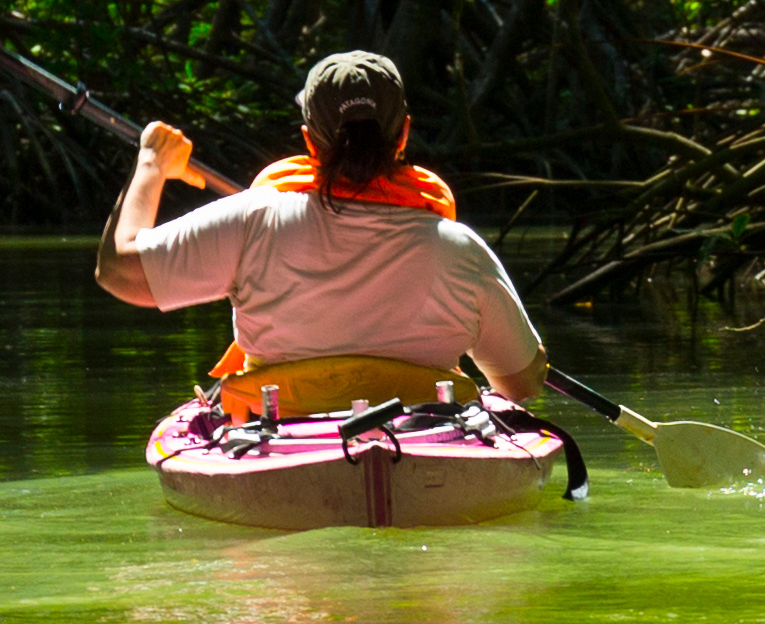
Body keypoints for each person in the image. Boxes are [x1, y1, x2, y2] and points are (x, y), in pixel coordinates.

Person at [96, 48, 550, 410]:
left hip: (277, 435)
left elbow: (119, 271)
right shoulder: (459, 248)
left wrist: (152, 164)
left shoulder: (253, 220)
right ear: (405, 134)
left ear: (309, 139)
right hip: (422, 438)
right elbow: (522, 382)